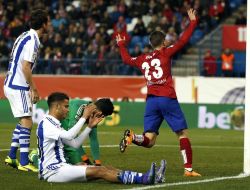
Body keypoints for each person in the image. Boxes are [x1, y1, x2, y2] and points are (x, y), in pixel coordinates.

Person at [116, 8, 201, 177]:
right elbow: (183, 40)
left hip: (151, 102)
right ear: (163, 42)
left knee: (149, 141)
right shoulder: (166, 53)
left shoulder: (142, 59)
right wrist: (193, 22)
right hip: (167, 98)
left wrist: (121, 45)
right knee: (182, 134)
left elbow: (126, 59)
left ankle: (133, 137)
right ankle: (188, 169)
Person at [37, 92, 166, 184]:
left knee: (106, 168)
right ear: (57, 106)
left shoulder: (53, 124)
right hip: (54, 171)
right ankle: (143, 179)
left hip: (60, 168)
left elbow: (74, 144)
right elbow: (70, 135)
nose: (67, 109)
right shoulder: (47, 124)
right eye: (66, 106)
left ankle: (148, 176)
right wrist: (84, 117)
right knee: (101, 171)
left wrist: (89, 126)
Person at [3, 9, 50, 172]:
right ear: (43, 24)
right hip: (18, 86)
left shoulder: (24, 35)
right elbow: (25, 67)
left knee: (23, 122)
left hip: (11, 82)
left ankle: (11, 156)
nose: (49, 24)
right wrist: (34, 89)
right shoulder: (32, 40)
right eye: (48, 22)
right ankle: (24, 162)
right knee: (27, 121)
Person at [30, 98, 113, 167]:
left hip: (67, 134)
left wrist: (97, 163)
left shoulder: (94, 114)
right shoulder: (78, 107)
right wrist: (85, 159)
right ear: (100, 113)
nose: (102, 118)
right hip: (58, 127)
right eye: (104, 116)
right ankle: (34, 155)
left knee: (79, 165)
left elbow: (94, 139)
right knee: (56, 164)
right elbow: (71, 136)